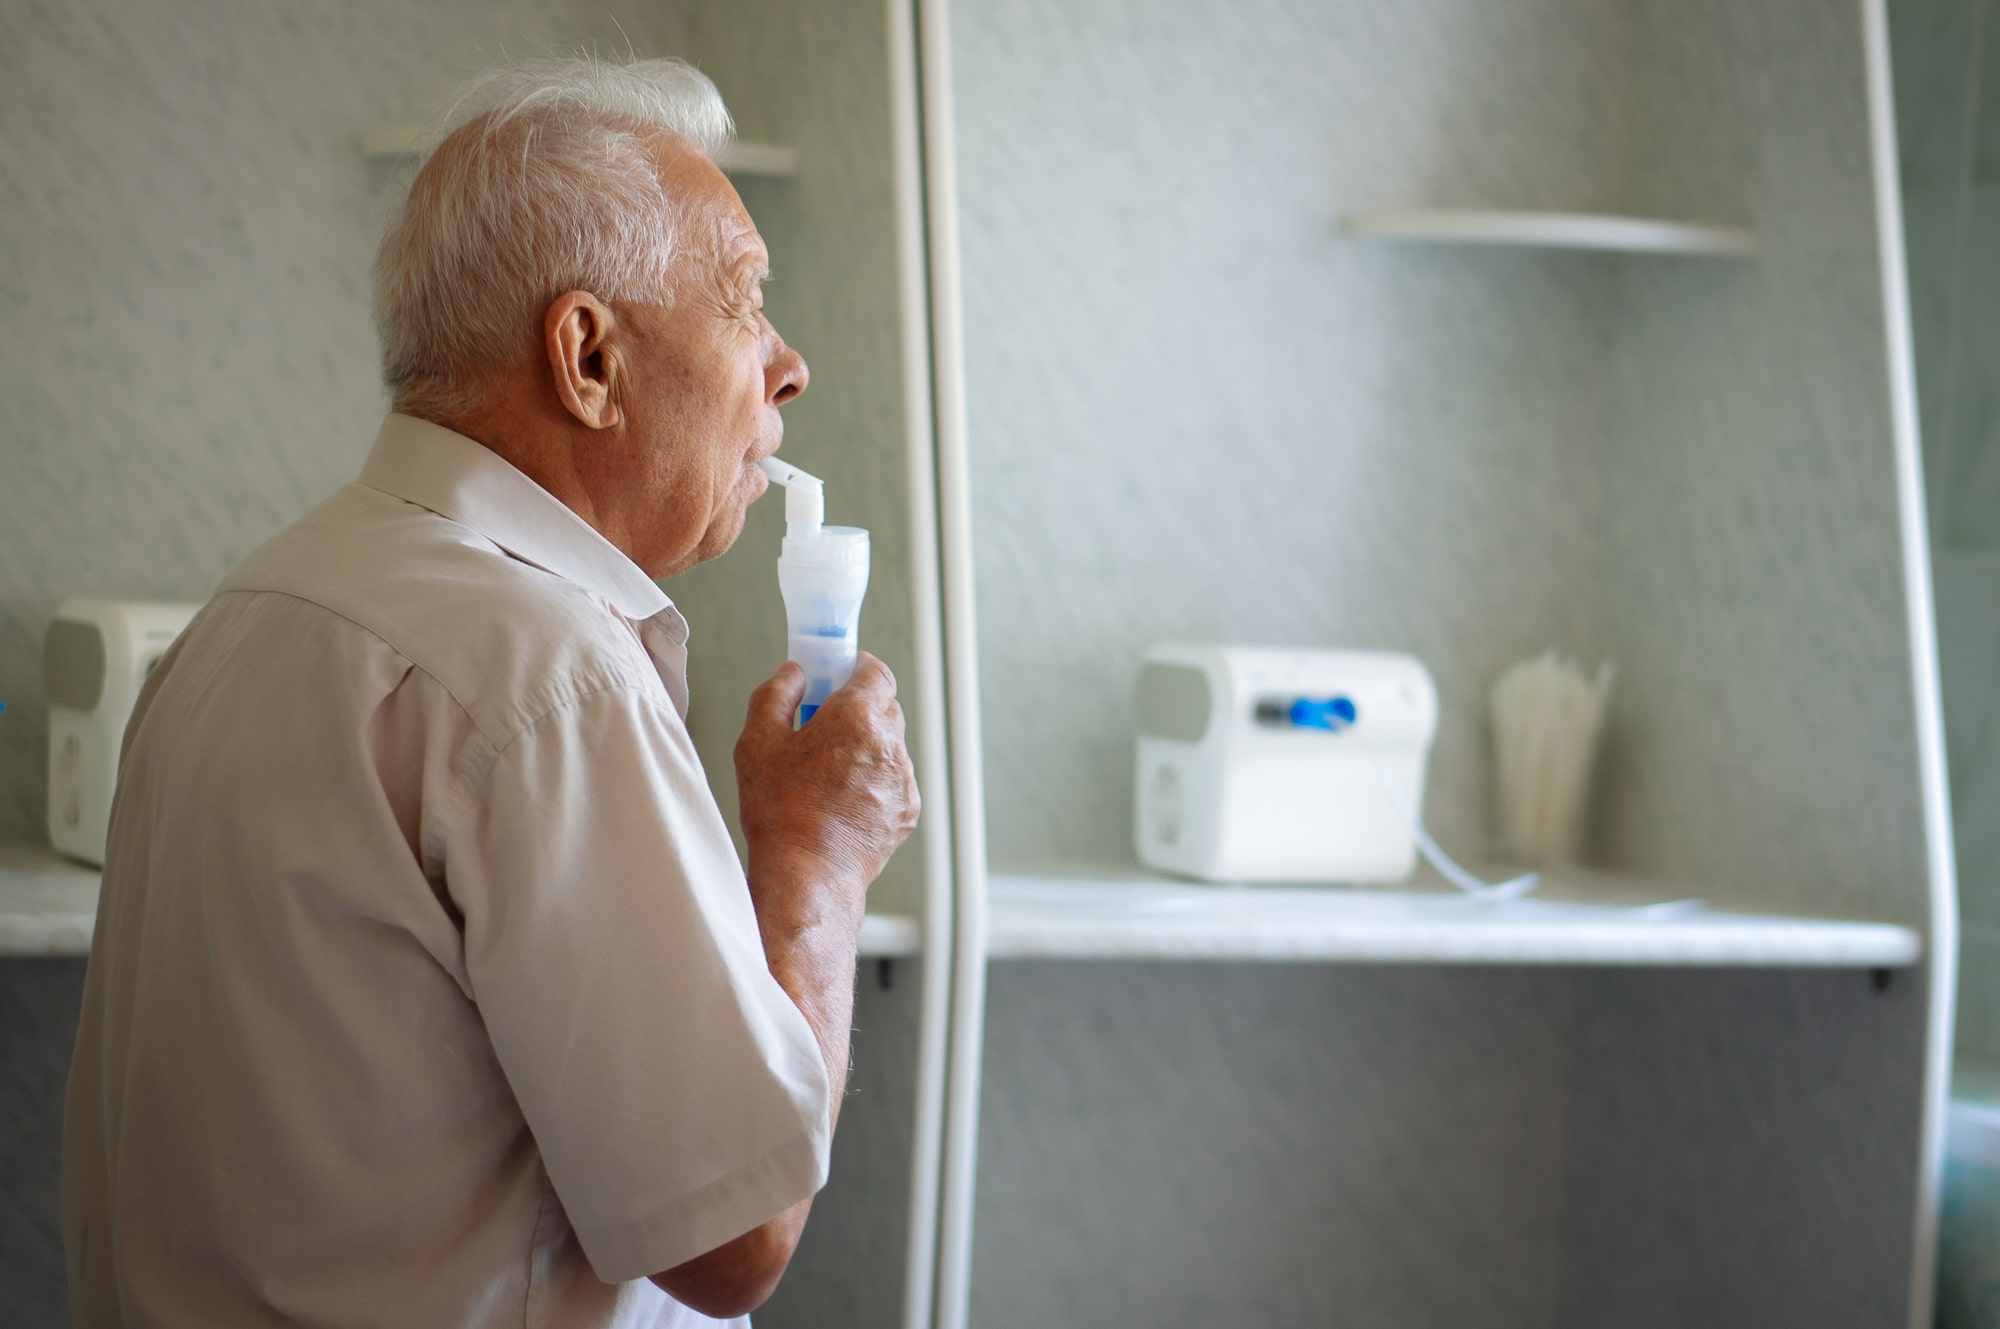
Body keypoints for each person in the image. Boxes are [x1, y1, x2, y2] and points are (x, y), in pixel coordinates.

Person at [61, 56, 918, 1328]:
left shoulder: (250, 611)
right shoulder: (545, 678)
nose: (788, 367)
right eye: (745, 300)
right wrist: (818, 858)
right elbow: (733, 1236)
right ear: (588, 357)